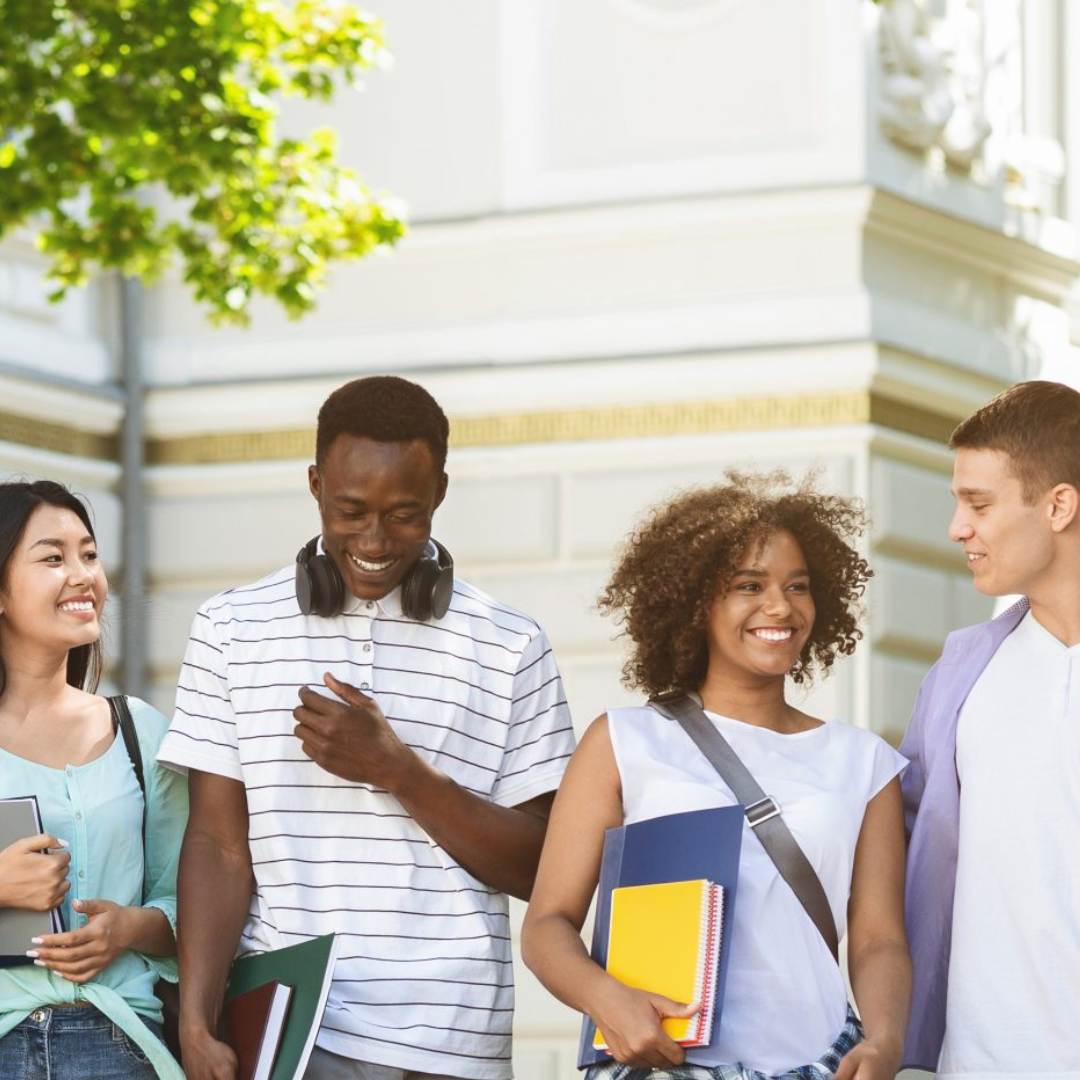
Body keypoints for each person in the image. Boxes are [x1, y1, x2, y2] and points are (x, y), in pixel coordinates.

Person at [158, 375, 576, 1080]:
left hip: (453, 1041)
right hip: (293, 1033)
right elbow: (217, 843)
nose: (375, 540)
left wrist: (398, 771)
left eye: (404, 515)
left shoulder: (511, 644)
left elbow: (542, 870)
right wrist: (197, 1022)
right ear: (316, 485)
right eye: (350, 510)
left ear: (440, 491)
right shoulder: (230, 627)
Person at [522, 471, 910, 1080]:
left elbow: (878, 939)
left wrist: (886, 1040)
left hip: (818, 1063)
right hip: (670, 1064)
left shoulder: (864, 762)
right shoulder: (624, 741)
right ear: (696, 602)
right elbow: (547, 924)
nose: (780, 607)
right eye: (749, 586)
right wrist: (606, 1000)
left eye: (798, 586)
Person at [900, 379, 1080, 1078]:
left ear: (1059, 505)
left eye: (978, 503)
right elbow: (903, 852)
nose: (956, 528)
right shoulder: (959, 675)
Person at [0, 480, 188, 1080]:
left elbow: (193, 897)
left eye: (89, 554)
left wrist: (128, 929)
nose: (82, 574)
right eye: (53, 558)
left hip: (119, 1043)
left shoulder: (140, 732)